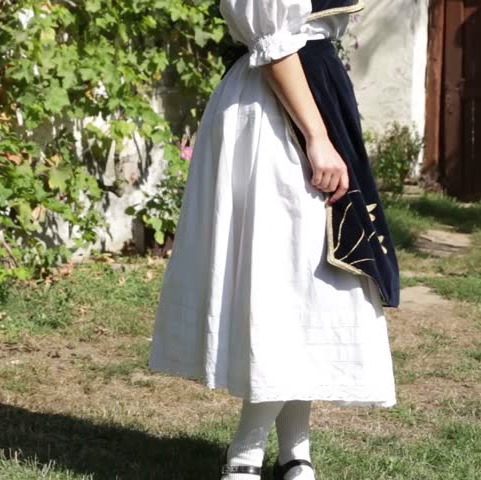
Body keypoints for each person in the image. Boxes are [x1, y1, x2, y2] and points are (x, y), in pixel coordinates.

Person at [147, 1, 401, 479]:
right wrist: (317, 136)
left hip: (311, 93)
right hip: (279, 110)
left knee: (309, 282)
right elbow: (274, 39)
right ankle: (246, 454)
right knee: (286, 275)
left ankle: (294, 452)